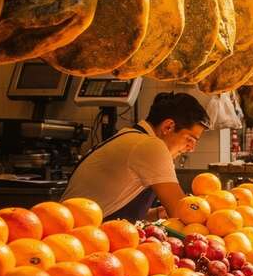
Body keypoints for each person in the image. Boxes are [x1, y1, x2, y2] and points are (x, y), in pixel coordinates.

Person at [64, 92, 211, 221]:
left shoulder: (130, 137)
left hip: (82, 232)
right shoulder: (150, 146)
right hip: (84, 236)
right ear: (168, 127)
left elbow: (117, 211)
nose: (191, 149)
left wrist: (158, 213)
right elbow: (183, 214)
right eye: (190, 139)